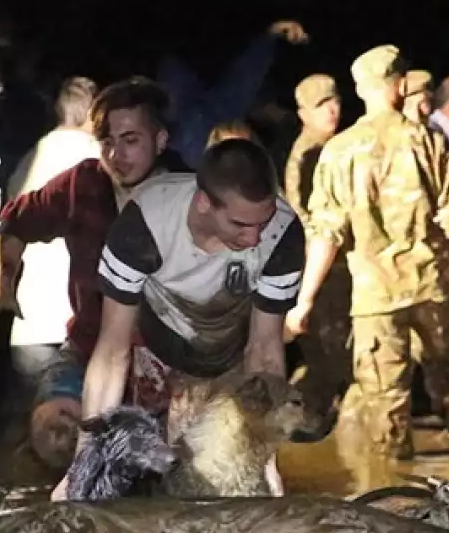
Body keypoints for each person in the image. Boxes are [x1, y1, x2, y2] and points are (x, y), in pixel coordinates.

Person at [288, 45, 449, 461]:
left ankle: (395, 479)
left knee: (386, 399)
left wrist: (305, 299)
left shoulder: (339, 151)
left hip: (374, 296)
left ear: (360, 91)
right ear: (401, 86)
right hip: (433, 284)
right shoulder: (428, 142)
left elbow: (326, 232)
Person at [76, 138, 305, 463]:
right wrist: (84, 458)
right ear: (203, 203)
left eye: (262, 222)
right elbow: (112, 350)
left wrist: (265, 461)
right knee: (142, 468)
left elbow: (265, 351)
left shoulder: (282, 232)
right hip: (158, 344)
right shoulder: (145, 223)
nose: (254, 238)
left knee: (231, 470)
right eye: (239, 224)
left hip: (231, 349)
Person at [0, 78, 172, 470]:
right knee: (55, 433)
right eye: (107, 140)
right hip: (89, 346)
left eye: (130, 140)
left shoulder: (187, 196)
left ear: (159, 140)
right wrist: (3, 285)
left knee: (162, 464)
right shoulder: (82, 184)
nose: (117, 154)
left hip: (164, 361)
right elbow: (15, 222)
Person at [0, 76, 100, 384]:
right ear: (94, 112)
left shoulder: (30, 160)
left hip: (32, 321)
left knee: (43, 425)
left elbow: (9, 229)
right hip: (85, 324)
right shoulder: (103, 161)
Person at [282, 74, 349, 432]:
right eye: (322, 104)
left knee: (331, 360)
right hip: (325, 273)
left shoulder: (334, 147)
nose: (333, 109)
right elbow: (316, 225)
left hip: (334, 272)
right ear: (303, 113)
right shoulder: (309, 156)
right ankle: (294, 419)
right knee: (332, 359)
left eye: (335, 100)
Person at [157, 19, 308, 168]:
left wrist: (271, 36)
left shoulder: (215, 112)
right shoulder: (171, 133)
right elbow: (242, 81)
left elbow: (242, 80)